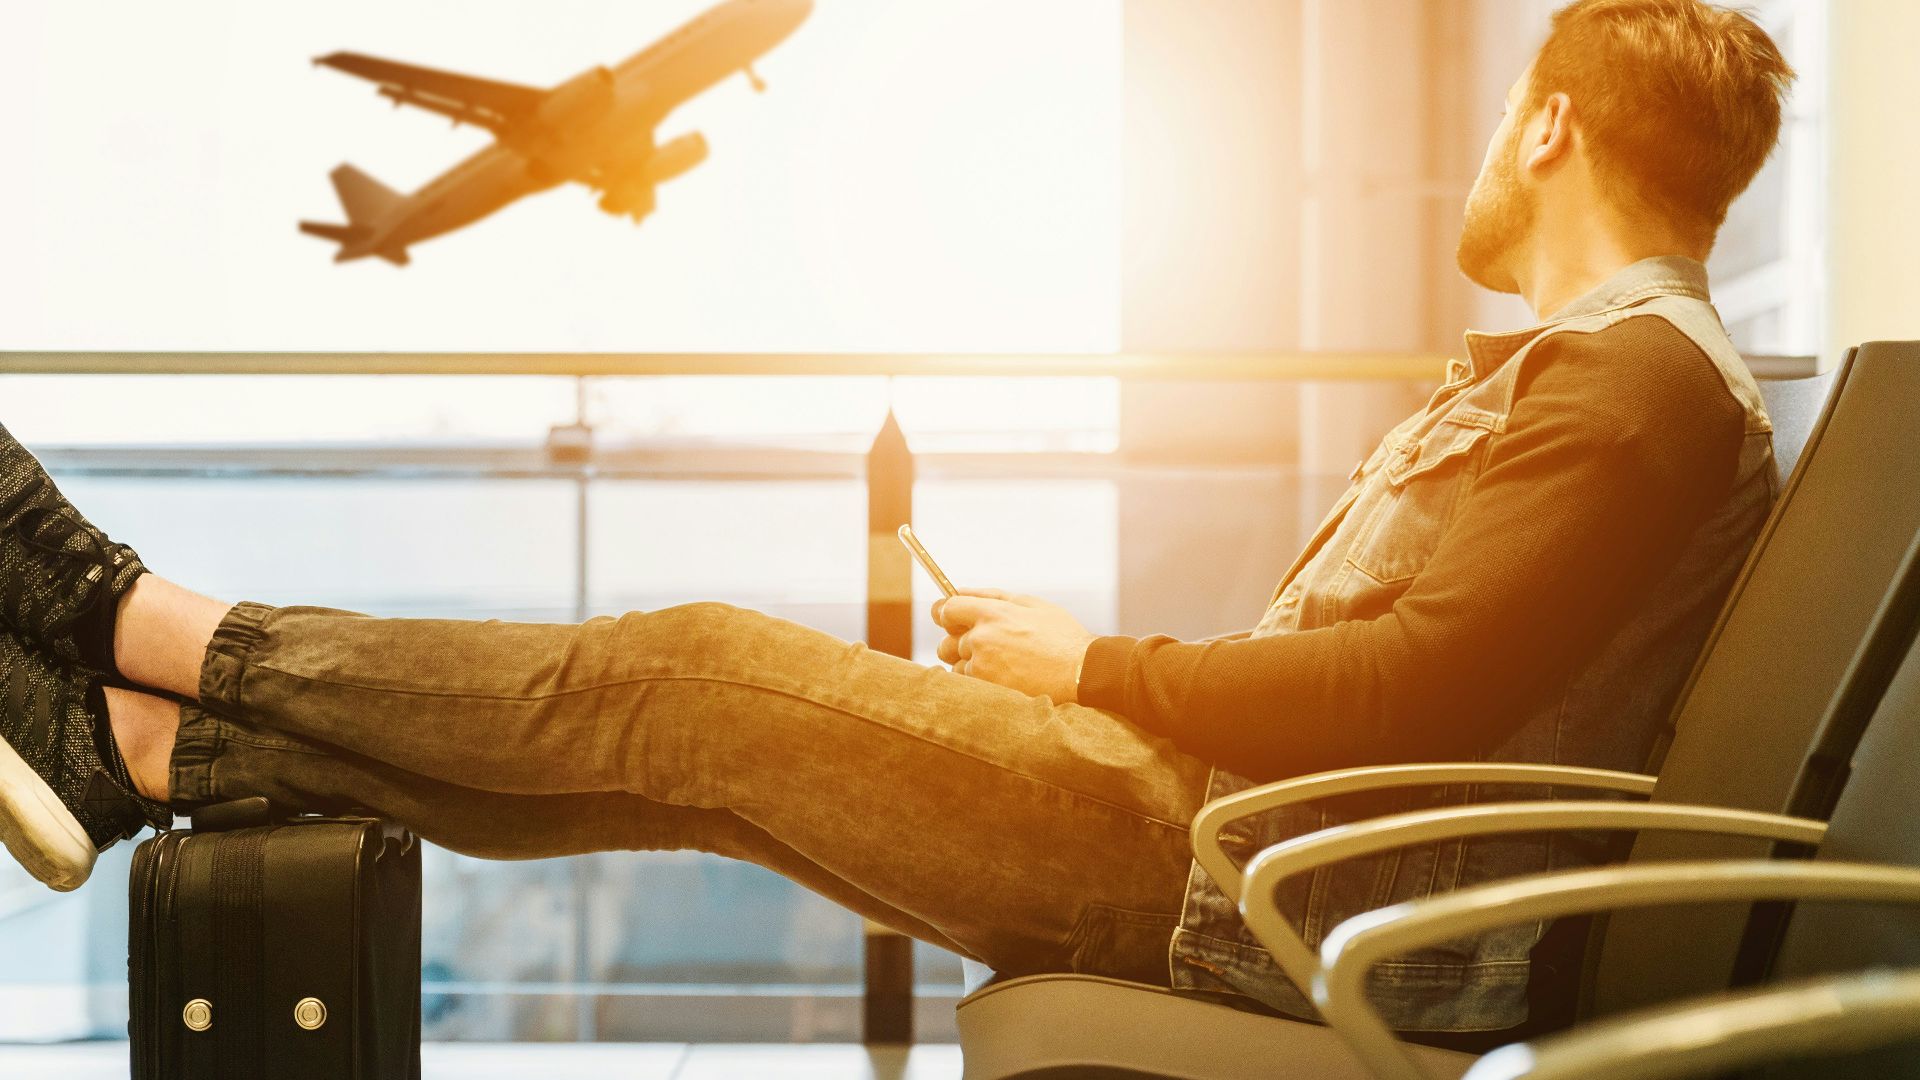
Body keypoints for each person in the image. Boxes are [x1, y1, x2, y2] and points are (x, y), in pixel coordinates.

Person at [0, 0, 1793, 1042]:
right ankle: (140, 750)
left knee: (682, 678)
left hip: (1247, 884)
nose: (1488, 145)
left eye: (1505, 114)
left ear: (1551, 127)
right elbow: (1413, 681)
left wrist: (1092, 666)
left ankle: (124, 616)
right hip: (1244, 854)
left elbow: (1408, 692)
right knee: (686, 765)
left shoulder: (1633, 388)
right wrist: (1094, 678)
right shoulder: (1621, 383)